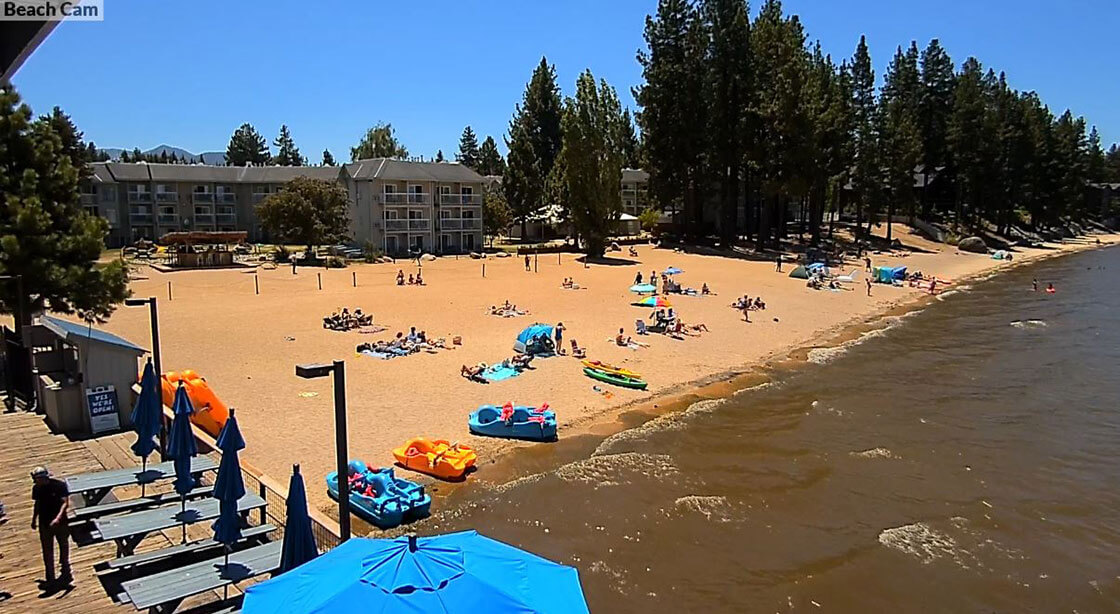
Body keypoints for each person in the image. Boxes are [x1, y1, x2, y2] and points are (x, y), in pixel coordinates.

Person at [31, 466, 71, 587]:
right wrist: (34, 519)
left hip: (61, 522)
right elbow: (37, 503)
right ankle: (50, 576)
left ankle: (65, 565)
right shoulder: (36, 488)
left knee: (63, 544)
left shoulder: (59, 486)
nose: (36, 481)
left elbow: (65, 503)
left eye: (38, 479)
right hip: (44, 522)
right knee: (47, 549)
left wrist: (58, 518)